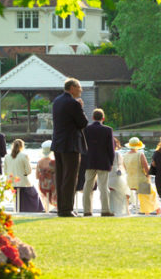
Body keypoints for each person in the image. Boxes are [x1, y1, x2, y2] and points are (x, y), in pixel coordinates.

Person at [51, 78, 89, 217]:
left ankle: (61, 207)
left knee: (60, 177)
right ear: (72, 88)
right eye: (79, 87)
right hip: (71, 144)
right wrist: (81, 108)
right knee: (70, 177)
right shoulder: (73, 103)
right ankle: (67, 209)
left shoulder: (57, 101)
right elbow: (83, 123)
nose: (81, 90)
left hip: (58, 143)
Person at [82, 108, 115, 217]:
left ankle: (87, 210)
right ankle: (105, 210)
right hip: (103, 161)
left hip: (89, 161)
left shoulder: (86, 129)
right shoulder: (108, 130)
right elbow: (111, 148)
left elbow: (83, 147)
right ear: (103, 118)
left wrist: (83, 161)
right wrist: (111, 162)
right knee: (103, 187)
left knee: (87, 186)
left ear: (93, 118)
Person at [4, 139, 44, 212]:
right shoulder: (24, 156)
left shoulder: (7, 156)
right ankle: (34, 210)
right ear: (22, 147)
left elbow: (5, 171)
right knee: (34, 194)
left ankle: (20, 209)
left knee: (19, 195)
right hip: (23, 182)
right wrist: (24, 174)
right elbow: (29, 171)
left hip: (11, 183)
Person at [124, 137, 159, 215]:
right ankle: (150, 211)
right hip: (140, 181)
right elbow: (146, 168)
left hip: (129, 181)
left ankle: (128, 211)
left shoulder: (125, 155)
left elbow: (125, 168)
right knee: (152, 192)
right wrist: (148, 176)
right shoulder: (140, 154)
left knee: (150, 190)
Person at [108, 138, 130, 216]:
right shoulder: (117, 154)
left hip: (107, 176)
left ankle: (111, 210)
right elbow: (121, 165)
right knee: (123, 192)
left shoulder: (104, 153)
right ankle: (123, 211)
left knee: (110, 194)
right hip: (116, 175)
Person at [36, 140, 57, 212]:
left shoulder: (39, 162)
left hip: (42, 186)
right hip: (52, 186)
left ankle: (46, 209)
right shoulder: (54, 162)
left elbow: (37, 176)